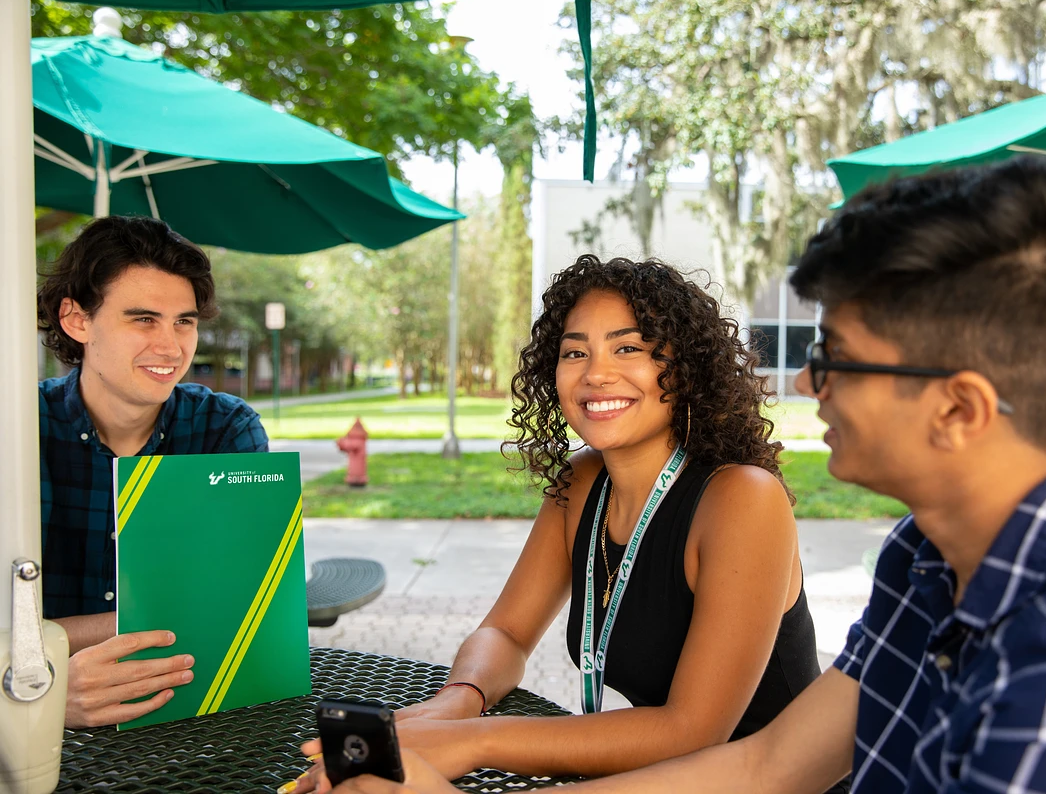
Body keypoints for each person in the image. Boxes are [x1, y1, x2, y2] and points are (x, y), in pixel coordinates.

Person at [326, 156, 1046, 794]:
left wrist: (477, 750)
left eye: (838, 360)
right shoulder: (924, 557)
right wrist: (465, 744)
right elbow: (769, 763)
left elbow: (717, 742)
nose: (812, 384)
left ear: (959, 409)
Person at [291, 256, 844, 793]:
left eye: (628, 348)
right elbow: (505, 633)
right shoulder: (583, 483)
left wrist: (473, 741)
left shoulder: (743, 499)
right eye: (574, 352)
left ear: (687, 369)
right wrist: (457, 700)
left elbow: (691, 731)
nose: (596, 373)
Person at [38, 215, 268, 728]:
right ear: (77, 320)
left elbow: (245, 609)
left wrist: (43, 642)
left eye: (183, 321)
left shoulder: (226, 428)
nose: (171, 347)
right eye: (143, 319)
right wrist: (46, 688)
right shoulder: (19, 433)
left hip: (195, 715)